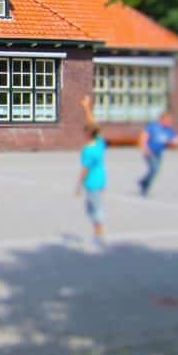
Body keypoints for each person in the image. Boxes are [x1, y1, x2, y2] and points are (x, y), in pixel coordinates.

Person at [76, 95, 106, 247]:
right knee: (91, 207)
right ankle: (98, 232)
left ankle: (99, 236)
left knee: (95, 209)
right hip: (101, 180)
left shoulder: (88, 150)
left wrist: (78, 185)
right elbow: (93, 124)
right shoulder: (100, 143)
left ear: (87, 134)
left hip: (92, 182)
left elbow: (84, 169)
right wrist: (86, 107)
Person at [138, 111, 178, 196]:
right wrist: (144, 147)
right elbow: (144, 136)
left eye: (171, 120)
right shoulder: (153, 126)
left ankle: (143, 182)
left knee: (155, 170)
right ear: (162, 119)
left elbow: (174, 141)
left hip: (158, 153)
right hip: (150, 151)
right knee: (154, 169)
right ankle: (144, 186)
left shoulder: (169, 130)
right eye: (168, 120)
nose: (170, 122)